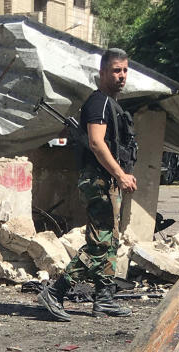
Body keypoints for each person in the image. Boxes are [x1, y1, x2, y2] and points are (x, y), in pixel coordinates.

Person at [39, 48, 137, 321]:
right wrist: (119, 174)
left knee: (110, 241)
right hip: (99, 181)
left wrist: (121, 173)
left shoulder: (111, 104)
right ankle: (56, 291)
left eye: (125, 70)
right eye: (116, 70)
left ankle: (104, 299)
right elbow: (96, 142)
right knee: (100, 243)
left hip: (108, 181)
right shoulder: (99, 102)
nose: (121, 76)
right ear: (102, 73)